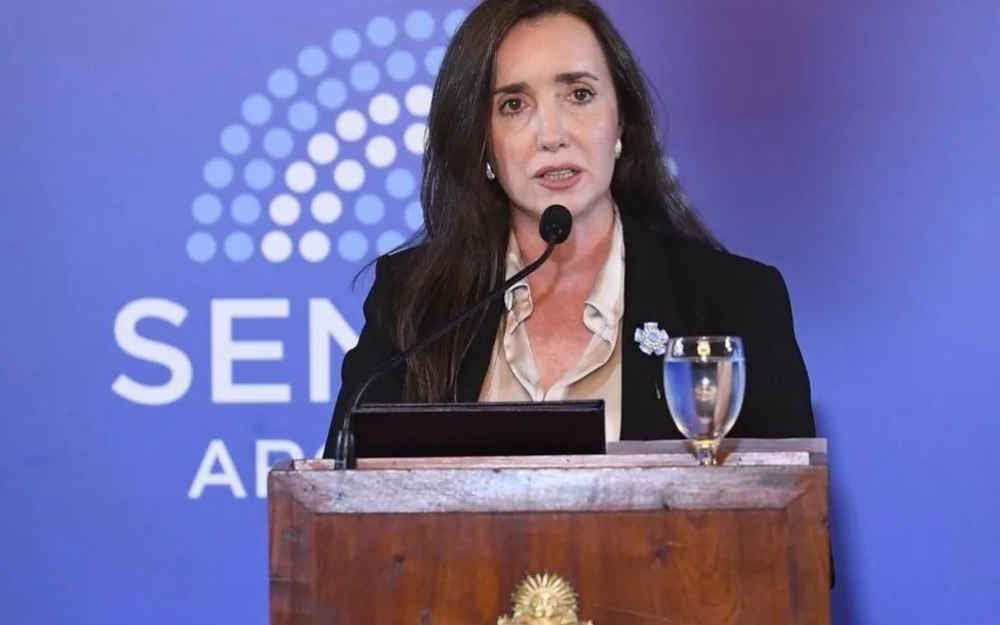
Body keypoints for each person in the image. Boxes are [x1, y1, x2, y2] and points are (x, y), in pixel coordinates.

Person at [323, 0, 815, 456]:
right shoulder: (413, 304)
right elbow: (341, 503)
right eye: (514, 105)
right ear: (482, 142)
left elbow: (787, 511)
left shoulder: (733, 303)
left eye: (579, 95)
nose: (552, 135)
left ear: (621, 122)